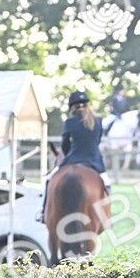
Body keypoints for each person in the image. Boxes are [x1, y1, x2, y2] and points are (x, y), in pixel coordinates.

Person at [40, 91, 109, 221]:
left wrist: (67, 155)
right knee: (107, 184)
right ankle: (105, 215)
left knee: (49, 180)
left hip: (74, 158)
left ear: (72, 107)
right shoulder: (98, 121)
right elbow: (97, 141)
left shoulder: (70, 122)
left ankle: (43, 213)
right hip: (94, 161)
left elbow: (65, 144)